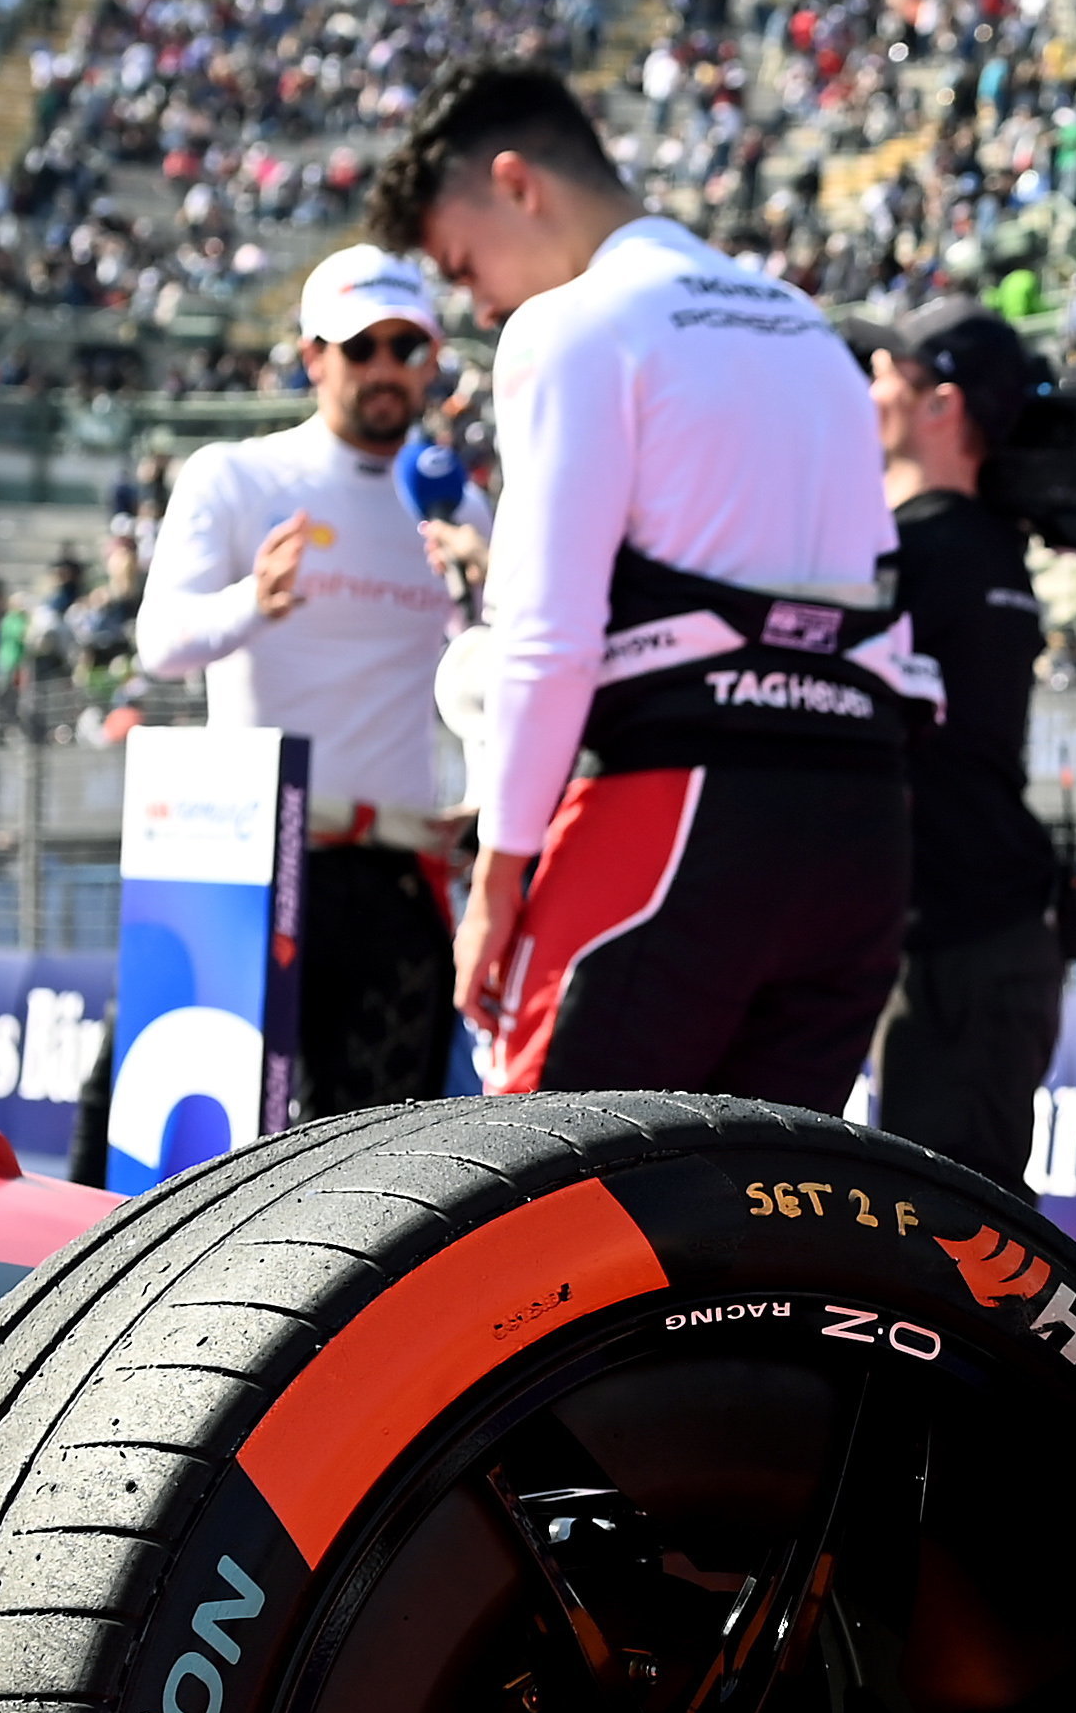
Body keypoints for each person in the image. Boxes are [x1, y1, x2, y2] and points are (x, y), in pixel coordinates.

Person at [366, 60, 924, 1102]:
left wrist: (498, 874)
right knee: (763, 1223)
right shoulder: (808, 327)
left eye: (462, 259)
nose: (475, 299)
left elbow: (548, 633)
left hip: (672, 812)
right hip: (862, 823)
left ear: (516, 184)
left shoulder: (571, 324)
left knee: (534, 1205)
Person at [126, 242, 478, 1114]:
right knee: (191, 1150)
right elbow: (159, 642)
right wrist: (253, 602)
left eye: (409, 347)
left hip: (396, 875)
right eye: (361, 347)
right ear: (314, 355)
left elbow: (497, 677)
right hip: (251, 868)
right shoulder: (238, 474)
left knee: (367, 1172)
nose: (387, 368)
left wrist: (489, 795)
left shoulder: (457, 505)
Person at [850, 298, 1069, 1185]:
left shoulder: (915, 552)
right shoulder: (988, 549)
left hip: (961, 943)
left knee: (950, 1235)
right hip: (970, 930)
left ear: (940, 404)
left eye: (886, 373)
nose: (866, 391)